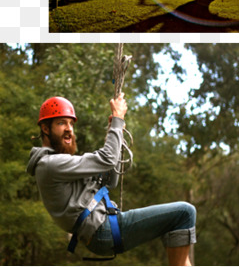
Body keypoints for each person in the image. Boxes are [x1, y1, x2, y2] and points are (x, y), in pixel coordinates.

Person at [27, 96, 197, 265]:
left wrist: (115, 131)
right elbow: (107, 159)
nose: (69, 129)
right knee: (185, 212)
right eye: (61, 123)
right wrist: (117, 118)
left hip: (104, 229)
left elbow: (109, 179)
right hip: (104, 229)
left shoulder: (58, 164)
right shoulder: (50, 164)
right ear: (46, 128)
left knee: (176, 222)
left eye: (71, 124)